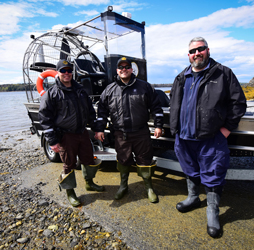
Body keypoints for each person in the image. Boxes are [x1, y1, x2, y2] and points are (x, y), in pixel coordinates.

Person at [170, 37, 247, 237]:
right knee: (190, 170)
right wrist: (174, 129)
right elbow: (174, 104)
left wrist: (227, 129)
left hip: (211, 138)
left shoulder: (223, 73)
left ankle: (212, 211)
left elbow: (238, 103)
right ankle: (193, 197)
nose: (197, 53)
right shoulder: (181, 77)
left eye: (201, 49)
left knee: (213, 175)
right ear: (188, 55)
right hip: (184, 138)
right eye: (193, 51)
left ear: (208, 50)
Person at [94, 57, 164, 203]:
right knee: (123, 161)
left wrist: (158, 125)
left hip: (141, 132)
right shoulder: (109, 90)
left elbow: (156, 108)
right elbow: (102, 112)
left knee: (145, 160)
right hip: (120, 134)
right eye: (121, 67)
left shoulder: (145, 87)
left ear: (132, 70)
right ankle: (123, 186)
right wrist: (99, 129)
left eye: (127, 67)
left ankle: (149, 187)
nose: (124, 69)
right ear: (117, 70)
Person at [38, 59, 104, 207]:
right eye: (63, 70)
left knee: (88, 160)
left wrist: (96, 129)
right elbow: (44, 118)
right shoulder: (52, 94)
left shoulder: (80, 90)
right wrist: (53, 141)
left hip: (82, 133)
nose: (66, 73)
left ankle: (90, 183)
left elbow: (90, 113)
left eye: (69, 70)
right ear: (58, 73)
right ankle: (70, 192)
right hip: (66, 136)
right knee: (69, 164)